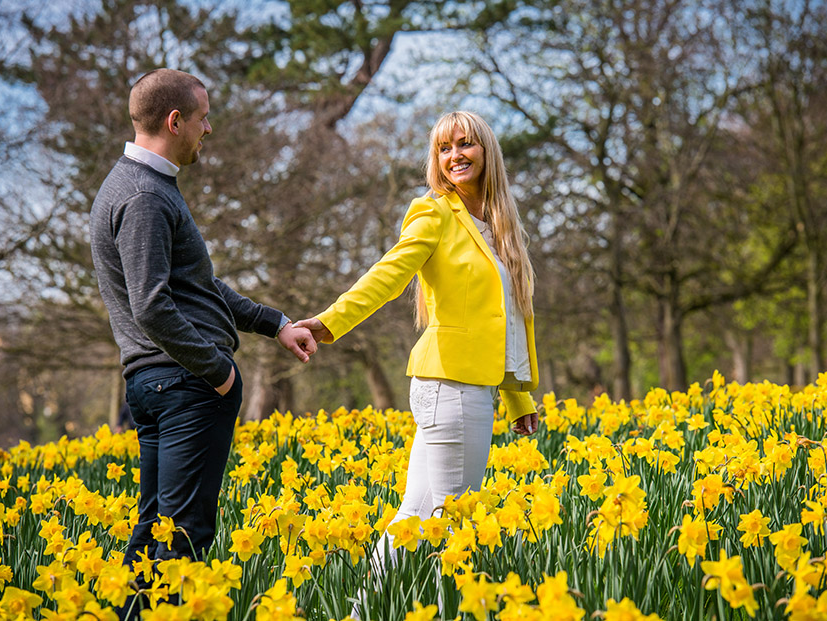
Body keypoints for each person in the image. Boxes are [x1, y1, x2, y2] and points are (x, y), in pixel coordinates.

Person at [89, 68, 317, 613]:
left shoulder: (141, 186)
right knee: (183, 539)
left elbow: (198, 288)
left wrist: (275, 323)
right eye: (203, 117)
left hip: (159, 382)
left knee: (153, 535)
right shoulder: (145, 196)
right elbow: (151, 304)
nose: (208, 129)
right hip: (185, 384)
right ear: (175, 121)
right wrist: (218, 371)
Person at [297, 110, 540, 615]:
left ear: (486, 151)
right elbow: (388, 275)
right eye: (444, 149)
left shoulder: (499, 228)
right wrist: (329, 322)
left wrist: (518, 396)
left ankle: (363, 610)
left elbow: (510, 321)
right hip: (448, 384)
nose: (455, 156)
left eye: (465, 144)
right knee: (453, 525)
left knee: (413, 517)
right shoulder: (433, 214)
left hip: (465, 385)